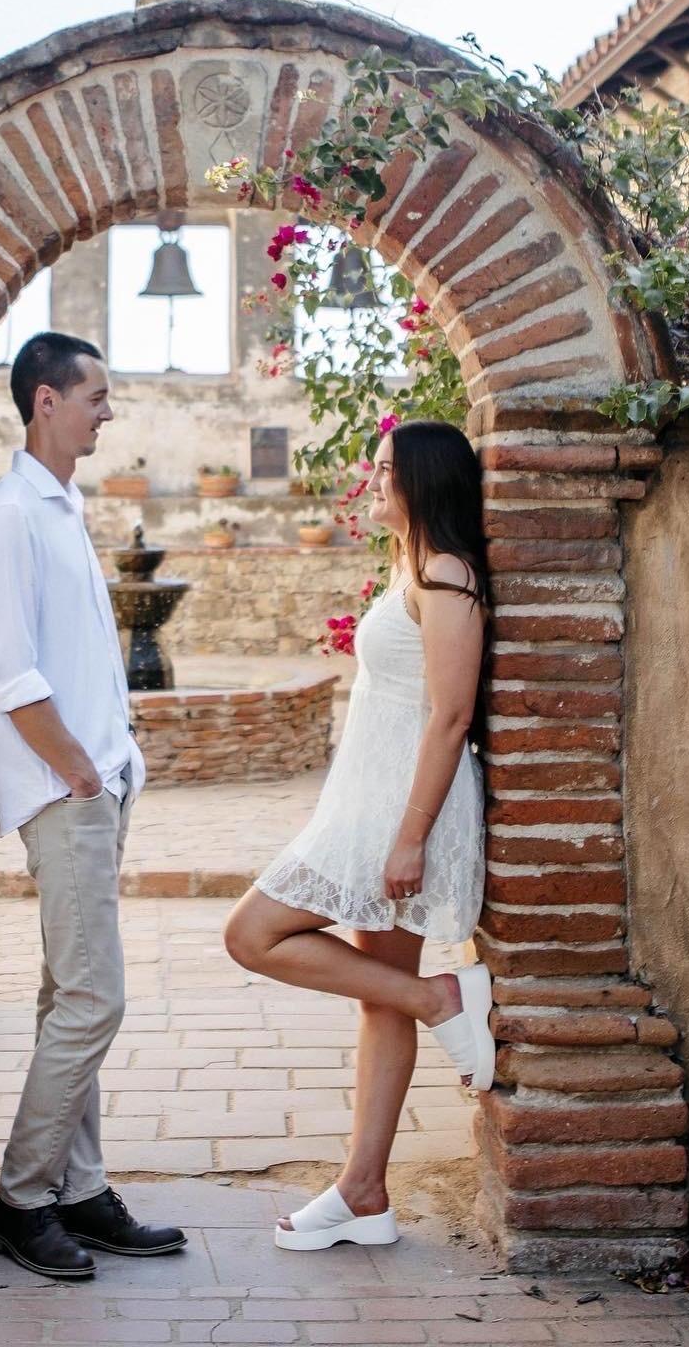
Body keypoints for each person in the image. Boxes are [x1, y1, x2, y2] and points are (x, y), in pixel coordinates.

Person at [223, 419, 492, 1253]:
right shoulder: (415, 565)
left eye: (385, 471)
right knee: (382, 995)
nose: (373, 482)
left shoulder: (447, 575)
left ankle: (442, 1000)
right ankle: (364, 1193)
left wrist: (409, 839)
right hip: (372, 803)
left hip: (398, 813)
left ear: (423, 481)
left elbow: (449, 717)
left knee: (251, 934)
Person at [0, 331, 186, 1280]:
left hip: (97, 783)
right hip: (65, 794)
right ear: (45, 401)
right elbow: (10, 674)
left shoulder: (63, 506)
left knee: (70, 997)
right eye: (96, 396)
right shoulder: (10, 514)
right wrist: (80, 773)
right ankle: (22, 1202)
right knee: (95, 999)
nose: (108, 412)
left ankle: (82, 1189)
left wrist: (116, 762)